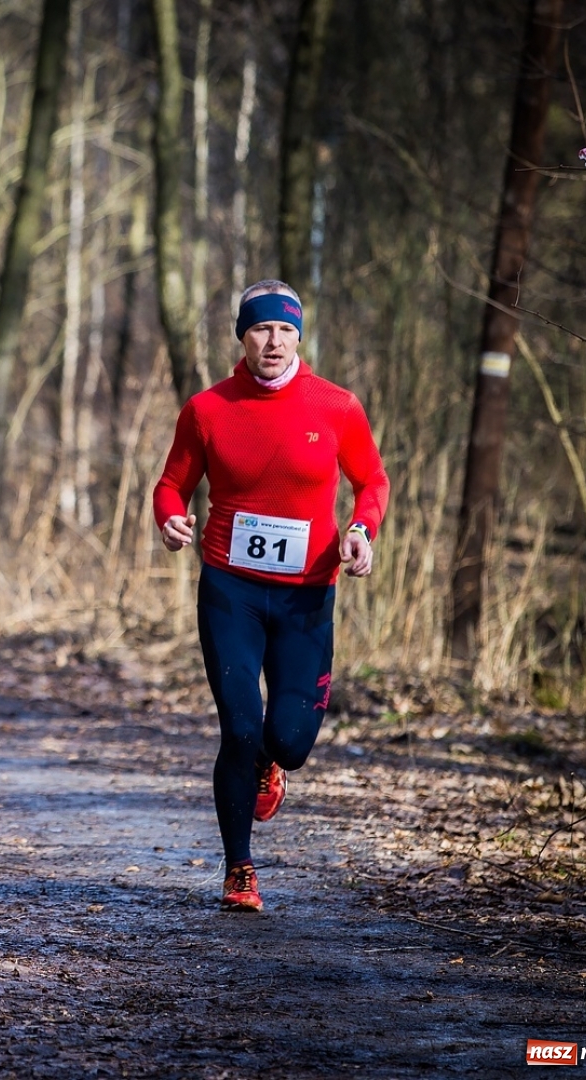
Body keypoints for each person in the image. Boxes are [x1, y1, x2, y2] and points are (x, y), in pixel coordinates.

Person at [152, 280, 389, 913]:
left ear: (299, 337)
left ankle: (271, 763)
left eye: (285, 329)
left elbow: (372, 480)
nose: (273, 340)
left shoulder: (336, 407)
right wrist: (170, 518)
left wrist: (362, 531)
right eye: (260, 329)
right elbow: (171, 484)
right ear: (243, 337)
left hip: (307, 594)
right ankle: (239, 869)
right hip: (230, 587)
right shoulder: (208, 409)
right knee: (239, 726)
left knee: (288, 740)